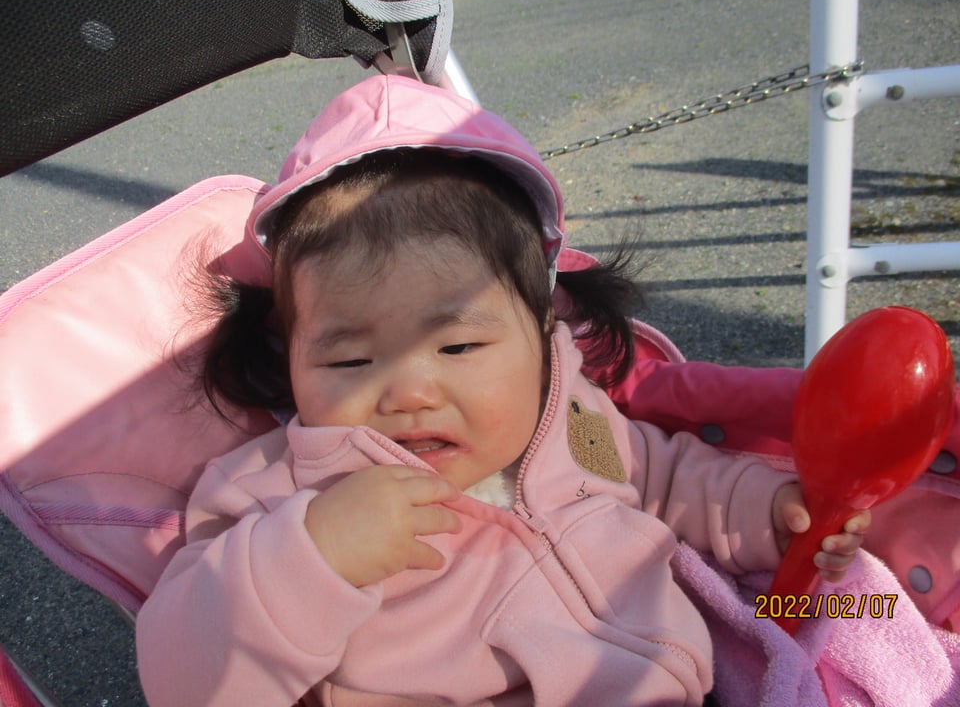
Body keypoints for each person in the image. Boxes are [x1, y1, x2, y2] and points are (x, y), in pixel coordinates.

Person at [136, 74, 870, 707]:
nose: (410, 393)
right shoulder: (275, 493)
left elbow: (663, 477)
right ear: (288, 356)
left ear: (540, 329)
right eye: (351, 361)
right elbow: (184, 676)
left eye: (458, 347)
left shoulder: (573, 418)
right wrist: (311, 556)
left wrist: (764, 513)